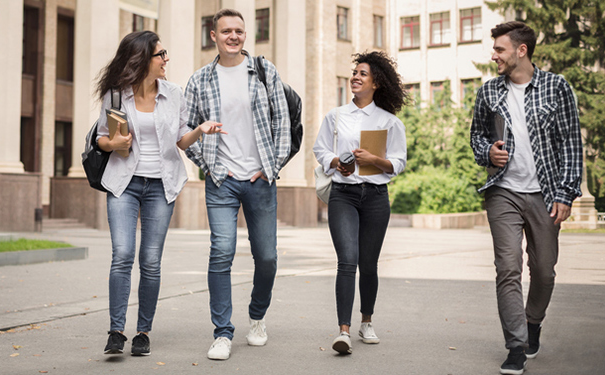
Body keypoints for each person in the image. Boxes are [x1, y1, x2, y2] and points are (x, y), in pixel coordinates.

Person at [95, 31, 226, 357]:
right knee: (122, 255)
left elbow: (181, 140)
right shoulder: (115, 96)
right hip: (124, 182)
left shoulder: (173, 93)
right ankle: (115, 331)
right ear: (142, 59)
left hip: (160, 184)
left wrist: (200, 129)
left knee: (150, 261)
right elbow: (101, 138)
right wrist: (115, 144)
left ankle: (142, 331)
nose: (167, 59)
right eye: (161, 54)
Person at [470, 21, 582, 375]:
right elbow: (476, 137)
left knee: (544, 271)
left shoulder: (556, 87)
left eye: (500, 49)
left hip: (546, 192)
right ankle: (516, 346)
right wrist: (488, 151)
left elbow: (571, 144)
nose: (494, 56)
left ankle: (533, 322)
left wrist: (566, 193)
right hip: (503, 191)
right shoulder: (489, 91)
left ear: (521, 50)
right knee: (508, 268)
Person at [183, 8, 291, 360]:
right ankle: (222, 332)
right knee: (221, 253)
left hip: (260, 179)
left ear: (246, 35)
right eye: (226, 31)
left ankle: (257, 317)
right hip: (223, 181)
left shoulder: (263, 70)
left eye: (239, 31)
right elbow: (184, 131)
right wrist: (211, 166)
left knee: (268, 258)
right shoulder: (200, 80)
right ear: (213, 36)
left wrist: (270, 166)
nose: (234, 36)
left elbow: (283, 123)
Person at [313, 51, 408, 355]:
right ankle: (343, 331)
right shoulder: (336, 116)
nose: (355, 77)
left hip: (376, 198)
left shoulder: (390, 122)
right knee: (347, 260)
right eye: (354, 72)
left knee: (368, 264)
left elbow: (398, 163)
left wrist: (375, 160)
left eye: (362, 73)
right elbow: (320, 149)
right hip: (343, 195)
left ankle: (367, 320)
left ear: (376, 82)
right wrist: (335, 162)